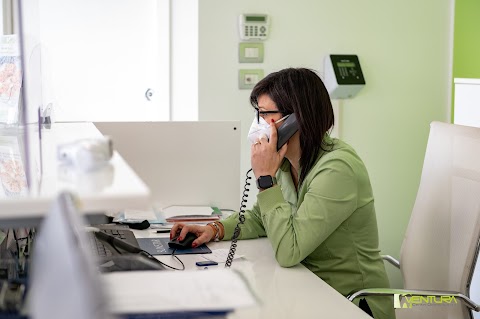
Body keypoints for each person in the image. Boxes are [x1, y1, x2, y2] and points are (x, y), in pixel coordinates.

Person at [170, 68, 395, 319]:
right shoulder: (287, 162)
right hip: (306, 287)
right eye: (258, 113)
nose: (258, 124)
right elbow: (260, 217)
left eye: (265, 114)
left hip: (348, 303)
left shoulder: (338, 169)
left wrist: (265, 179)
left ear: (295, 119)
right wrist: (215, 229)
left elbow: (290, 250)